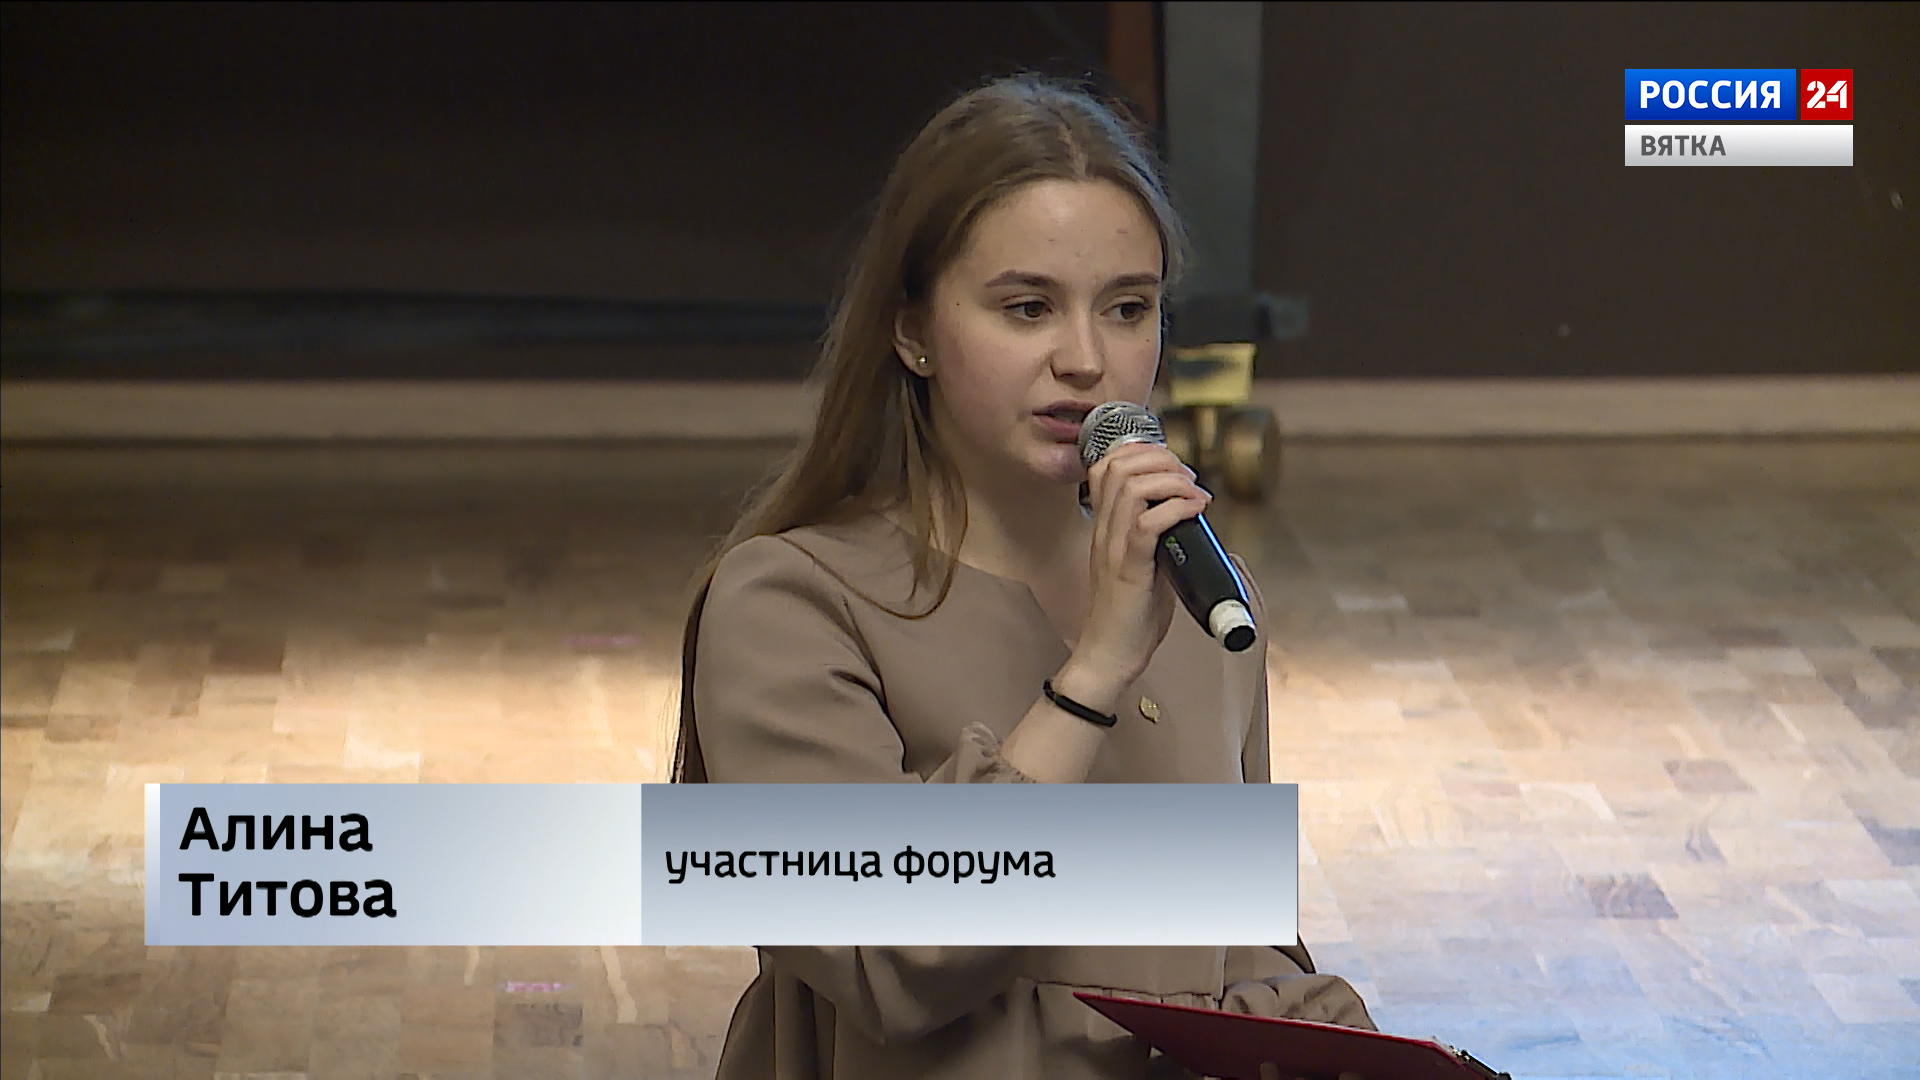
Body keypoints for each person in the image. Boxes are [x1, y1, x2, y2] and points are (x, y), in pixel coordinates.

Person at [672, 73, 1375, 1080]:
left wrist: (1326, 1034)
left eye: (1127, 308)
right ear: (913, 330)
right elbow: (895, 962)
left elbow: (1233, 948)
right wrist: (1093, 675)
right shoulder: (787, 604)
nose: (1086, 360)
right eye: (1028, 307)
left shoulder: (1202, 599)